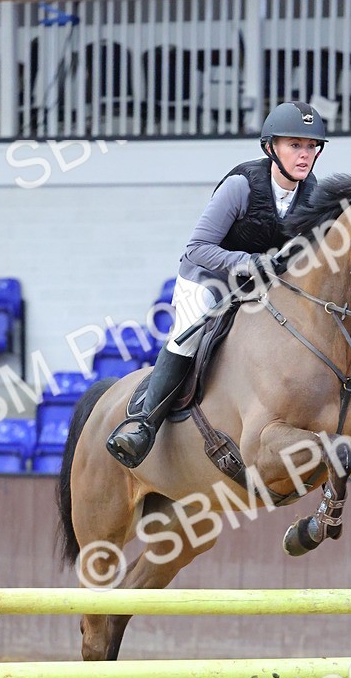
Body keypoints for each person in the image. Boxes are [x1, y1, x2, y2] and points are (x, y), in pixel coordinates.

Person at [106, 101, 327, 467]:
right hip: (207, 278)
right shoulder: (241, 186)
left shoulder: (312, 194)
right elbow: (197, 248)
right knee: (191, 332)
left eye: (311, 147)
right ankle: (142, 423)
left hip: (259, 286)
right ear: (271, 147)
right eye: (295, 145)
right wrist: (248, 262)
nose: (304, 155)